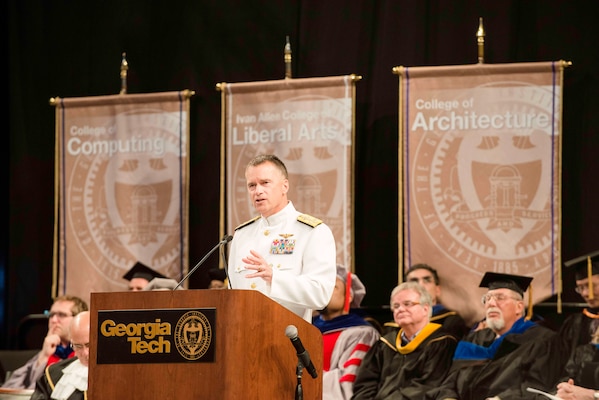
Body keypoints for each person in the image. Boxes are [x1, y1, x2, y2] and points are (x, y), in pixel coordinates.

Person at [227, 154, 336, 322]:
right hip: (243, 339)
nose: (258, 191)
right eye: (252, 185)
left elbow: (320, 294)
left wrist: (274, 277)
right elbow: (232, 296)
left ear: (285, 186)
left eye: (265, 183)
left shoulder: (312, 232)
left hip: (286, 339)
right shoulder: (242, 235)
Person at [430, 272, 557, 400]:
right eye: (487, 298)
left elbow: (539, 386)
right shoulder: (474, 339)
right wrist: (447, 397)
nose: (491, 303)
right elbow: (450, 382)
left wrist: (502, 399)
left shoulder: (541, 340)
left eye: (500, 298)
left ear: (519, 307)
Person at [351, 281, 457, 399]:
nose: (400, 309)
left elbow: (427, 386)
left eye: (408, 304)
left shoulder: (441, 342)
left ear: (425, 309)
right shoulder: (384, 345)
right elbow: (364, 384)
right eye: (396, 306)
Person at [313, 264, 380, 400]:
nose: (325, 290)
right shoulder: (305, 328)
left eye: (333, 286)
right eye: (322, 286)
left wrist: (302, 379)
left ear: (348, 296)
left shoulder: (362, 333)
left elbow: (349, 382)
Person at [1, 295, 88, 390]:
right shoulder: (46, 352)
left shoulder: (85, 355)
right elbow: (9, 389)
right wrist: (44, 356)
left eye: (62, 315)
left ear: (77, 319)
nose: (54, 320)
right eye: (51, 315)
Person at [385, 263, 469, 339]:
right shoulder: (392, 327)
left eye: (427, 280)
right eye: (414, 281)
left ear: (437, 290)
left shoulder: (451, 321)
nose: (420, 285)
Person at [30, 311, 90, 400]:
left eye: (89, 345)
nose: (85, 353)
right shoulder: (53, 373)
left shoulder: (115, 373)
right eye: (78, 346)